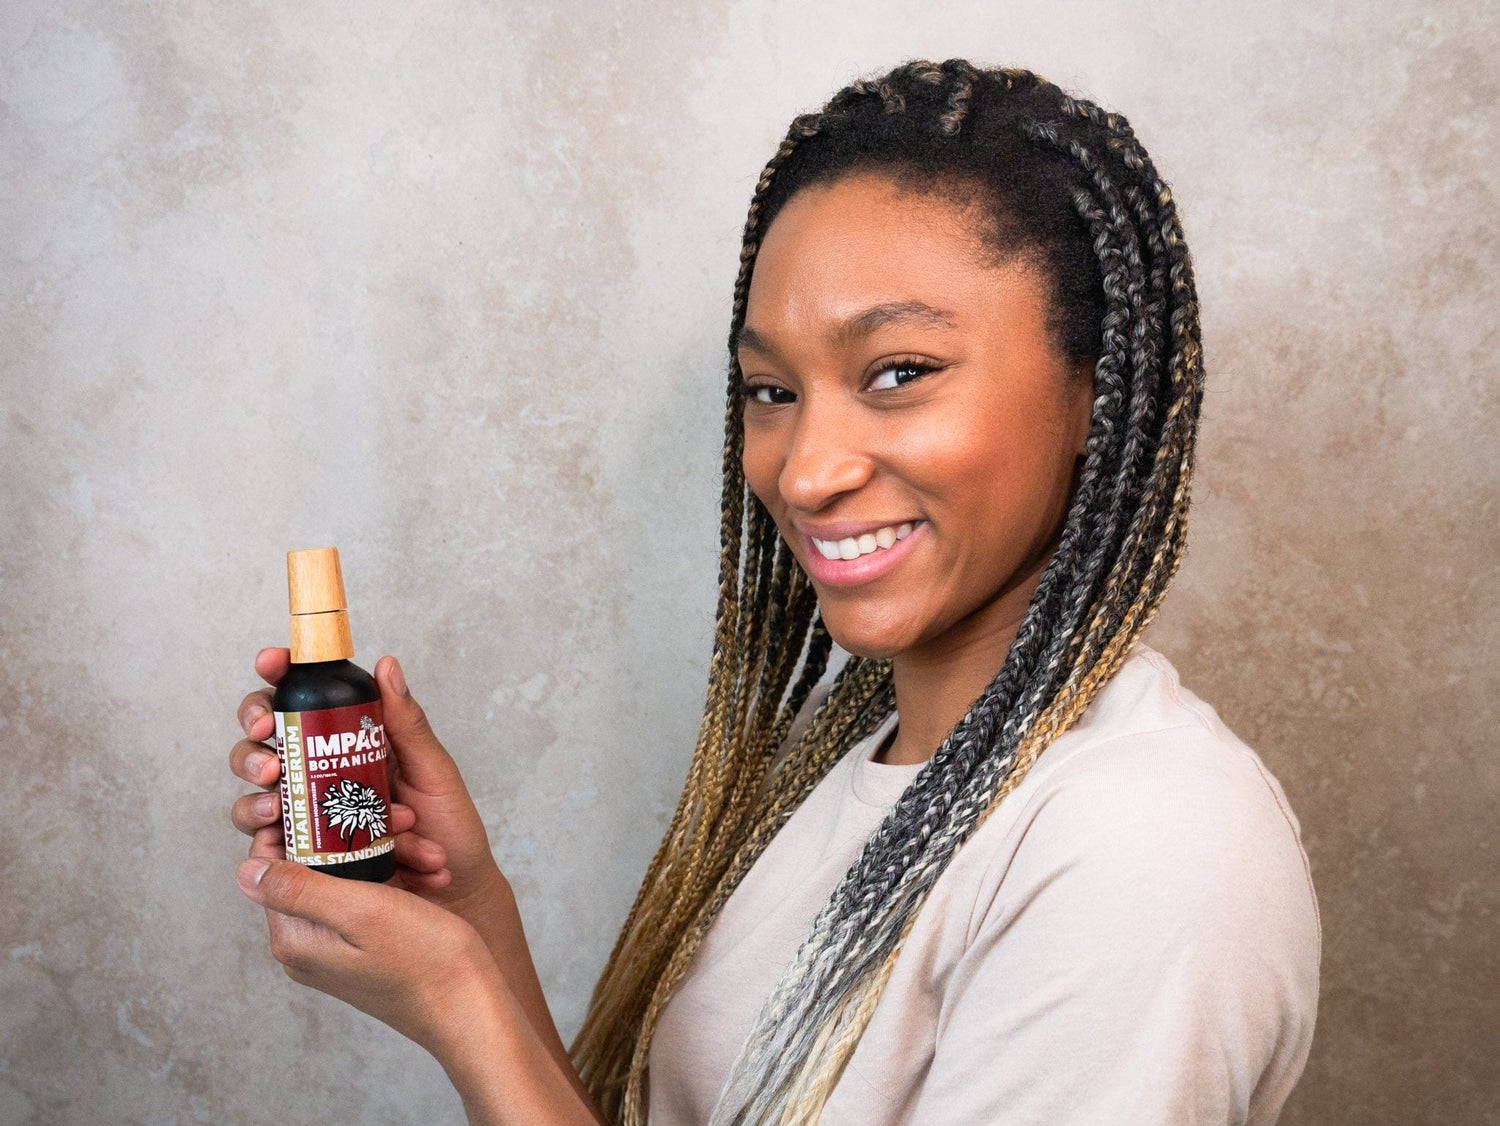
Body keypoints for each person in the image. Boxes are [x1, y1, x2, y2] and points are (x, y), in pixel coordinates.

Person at [229, 58, 1320, 1125]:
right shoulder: (849, 774)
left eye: (899, 372)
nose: (803, 471)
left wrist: (464, 1008)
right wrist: (477, 927)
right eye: (772, 389)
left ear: (1097, 393)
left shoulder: (1147, 843)